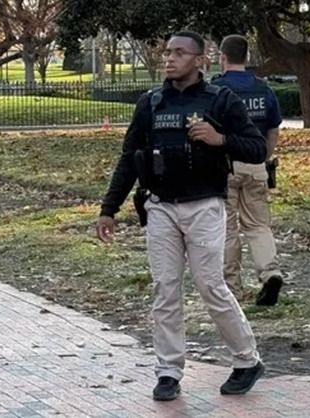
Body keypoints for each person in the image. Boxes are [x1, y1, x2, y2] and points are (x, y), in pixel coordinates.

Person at [95, 31, 267, 402]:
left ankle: (247, 360)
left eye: (179, 53)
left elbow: (256, 149)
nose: (169, 59)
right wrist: (109, 209)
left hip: (204, 205)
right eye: (167, 52)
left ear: (201, 59)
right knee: (165, 290)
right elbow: (129, 158)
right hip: (160, 207)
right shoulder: (151, 103)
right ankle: (168, 372)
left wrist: (220, 139)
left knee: (210, 286)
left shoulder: (221, 101)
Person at [211, 35, 285, 306]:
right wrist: (264, 155)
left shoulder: (216, 89)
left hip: (226, 165)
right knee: (258, 225)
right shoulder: (263, 89)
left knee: (227, 229)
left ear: (223, 57)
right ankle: (270, 272)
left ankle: (232, 288)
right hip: (256, 166)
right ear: (246, 57)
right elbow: (274, 127)